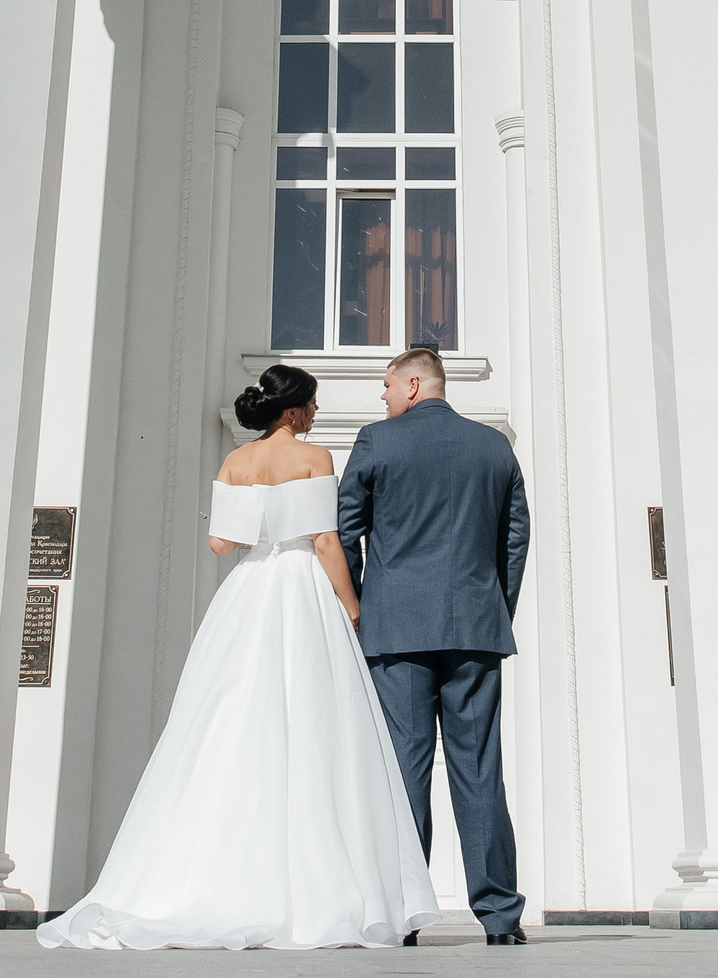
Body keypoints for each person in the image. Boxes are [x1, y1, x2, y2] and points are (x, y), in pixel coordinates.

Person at [36, 364, 439, 950]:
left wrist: (258, 518)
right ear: (293, 410)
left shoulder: (235, 462)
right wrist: (352, 606)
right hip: (300, 586)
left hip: (249, 590)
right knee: (314, 718)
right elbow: (326, 541)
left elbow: (220, 543)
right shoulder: (315, 457)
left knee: (229, 714)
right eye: (312, 404)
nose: (316, 413)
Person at [338, 347, 531, 945]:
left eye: (388, 385)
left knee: (404, 768)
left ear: (415, 385)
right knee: (480, 769)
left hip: (396, 629)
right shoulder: (494, 447)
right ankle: (500, 917)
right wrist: (493, 607)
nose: (383, 396)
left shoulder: (377, 442)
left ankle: (404, 914)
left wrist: (358, 606)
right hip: (475, 628)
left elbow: (345, 530)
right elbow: (515, 538)